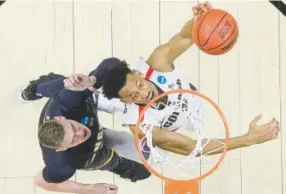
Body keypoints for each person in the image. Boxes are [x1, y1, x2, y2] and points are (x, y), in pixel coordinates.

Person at [21, 2, 280, 158]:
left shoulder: (158, 63)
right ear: (126, 101)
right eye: (134, 96)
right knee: (76, 92)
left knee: (92, 82)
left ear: (140, 73)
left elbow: (186, 36)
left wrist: (200, 21)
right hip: (126, 107)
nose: (143, 94)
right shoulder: (141, 125)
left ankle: (87, 82)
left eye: (141, 86)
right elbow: (193, 148)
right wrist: (248, 139)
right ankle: (42, 87)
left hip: (183, 103)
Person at [26, 73, 151, 194]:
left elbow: (106, 67)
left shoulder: (66, 102)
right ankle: (122, 167)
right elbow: (40, 181)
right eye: (73, 139)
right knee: (133, 168)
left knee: (64, 82)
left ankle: (30, 92)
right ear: (62, 148)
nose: (81, 132)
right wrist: (88, 189)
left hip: (78, 112)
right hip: (93, 156)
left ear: (61, 118)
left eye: (73, 128)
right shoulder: (61, 164)